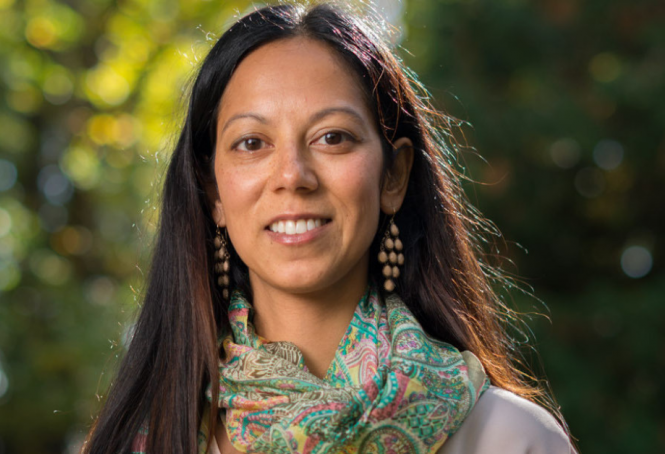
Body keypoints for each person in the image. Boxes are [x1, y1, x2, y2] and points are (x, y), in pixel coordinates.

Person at [82, 3, 576, 453]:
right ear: (213, 193)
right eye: (252, 143)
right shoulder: (142, 442)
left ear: (393, 175)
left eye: (332, 137)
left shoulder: (509, 439)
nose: (292, 176)